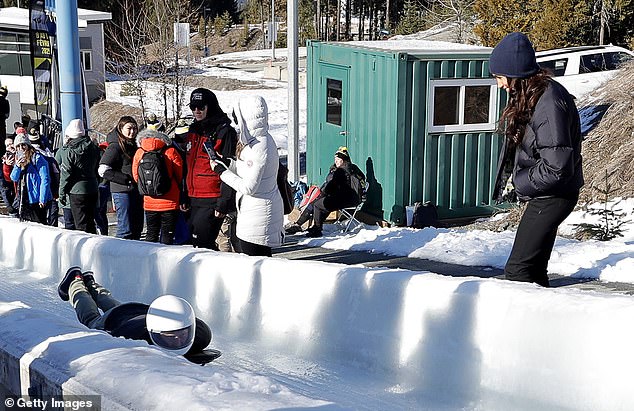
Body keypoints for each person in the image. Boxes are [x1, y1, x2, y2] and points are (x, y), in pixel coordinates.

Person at [489, 32, 584, 287]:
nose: (500, 85)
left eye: (499, 77)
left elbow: (557, 166)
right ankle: (540, 321)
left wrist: (521, 183)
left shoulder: (549, 102)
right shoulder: (534, 96)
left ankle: (526, 323)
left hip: (554, 195)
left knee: (518, 269)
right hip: (550, 193)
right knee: (532, 269)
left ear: (515, 73)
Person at [57, 267, 215, 363]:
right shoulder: (127, 335)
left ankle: (90, 281)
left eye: (183, 335)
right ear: (153, 333)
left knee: (110, 302)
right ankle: (76, 281)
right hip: (114, 322)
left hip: (138, 311)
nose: (178, 340)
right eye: (170, 336)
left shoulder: (202, 335)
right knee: (90, 318)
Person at [211, 96, 284, 257]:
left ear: (247, 118)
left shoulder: (259, 146)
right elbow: (247, 169)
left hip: (259, 216)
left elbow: (249, 187)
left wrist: (222, 172)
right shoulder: (256, 141)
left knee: (257, 263)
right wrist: (227, 163)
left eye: (238, 118)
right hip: (253, 213)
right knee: (256, 262)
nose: (236, 122)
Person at [182, 88, 237, 250]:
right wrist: (183, 195)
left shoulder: (224, 131)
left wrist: (223, 202)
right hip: (193, 197)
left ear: (210, 106)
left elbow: (229, 168)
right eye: (193, 107)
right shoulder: (193, 130)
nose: (196, 111)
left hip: (212, 197)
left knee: (203, 243)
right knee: (193, 243)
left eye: (201, 107)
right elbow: (188, 166)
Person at [287, 147, 365, 238]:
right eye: (335, 159)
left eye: (338, 160)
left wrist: (323, 194)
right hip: (353, 198)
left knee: (318, 204)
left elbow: (332, 186)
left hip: (347, 199)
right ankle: (310, 226)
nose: (336, 162)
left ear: (343, 160)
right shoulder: (353, 168)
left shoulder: (341, 171)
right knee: (321, 203)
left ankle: (317, 229)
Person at [132, 129, 183, 244]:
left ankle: (148, 260)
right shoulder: (170, 151)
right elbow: (180, 174)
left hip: (149, 200)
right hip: (170, 199)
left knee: (151, 233)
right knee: (167, 235)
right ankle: (165, 260)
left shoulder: (139, 152)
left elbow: (136, 176)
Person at [99, 116, 144, 240]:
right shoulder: (115, 146)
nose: (132, 131)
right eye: (129, 128)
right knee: (125, 228)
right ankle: (117, 256)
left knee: (137, 227)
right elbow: (103, 170)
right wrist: (125, 179)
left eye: (135, 128)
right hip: (122, 191)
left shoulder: (134, 144)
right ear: (120, 128)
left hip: (136, 190)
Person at [57, 119, 101, 234]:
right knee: (91, 222)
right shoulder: (94, 148)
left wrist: (61, 193)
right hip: (93, 188)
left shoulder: (69, 151)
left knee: (81, 225)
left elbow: (65, 175)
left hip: (76, 191)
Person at [10, 133, 52, 223]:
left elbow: (45, 178)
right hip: (24, 199)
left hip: (37, 200)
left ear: (28, 145)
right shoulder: (18, 158)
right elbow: (13, 178)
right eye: (18, 146)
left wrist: (42, 198)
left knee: (40, 225)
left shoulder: (37, 157)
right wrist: (17, 166)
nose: (21, 148)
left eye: (23, 145)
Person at [1, 137, 17, 214]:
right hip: (12, 192)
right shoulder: (5, 160)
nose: (10, 146)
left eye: (11, 144)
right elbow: (8, 179)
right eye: (7, 145)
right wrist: (7, 165)